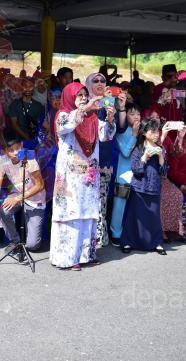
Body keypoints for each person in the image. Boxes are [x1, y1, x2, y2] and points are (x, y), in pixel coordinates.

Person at [49, 82, 115, 270]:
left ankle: (86, 254)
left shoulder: (92, 117)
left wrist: (110, 118)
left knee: (88, 213)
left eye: (86, 95)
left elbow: (107, 135)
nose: (84, 98)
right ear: (70, 97)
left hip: (88, 176)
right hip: (70, 177)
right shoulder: (63, 115)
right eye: (80, 96)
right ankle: (69, 258)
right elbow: (66, 125)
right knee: (71, 214)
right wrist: (85, 109)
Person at [85, 72, 127, 246]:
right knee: (87, 199)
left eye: (103, 80)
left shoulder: (109, 103)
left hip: (105, 157)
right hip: (86, 158)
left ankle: (99, 238)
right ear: (88, 84)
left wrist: (120, 107)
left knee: (101, 199)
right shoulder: (84, 103)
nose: (100, 83)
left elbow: (120, 128)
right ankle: (86, 237)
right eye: (95, 81)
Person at [0, 132, 46, 252]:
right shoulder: (2, 159)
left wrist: (17, 199)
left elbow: (40, 185)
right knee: (3, 210)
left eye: (18, 148)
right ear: (5, 151)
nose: (15, 153)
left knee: (33, 245)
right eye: (11, 150)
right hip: (18, 193)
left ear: (22, 145)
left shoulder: (29, 157)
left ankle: (28, 238)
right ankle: (15, 241)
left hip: (35, 197)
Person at [121, 118, 168, 255]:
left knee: (153, 217)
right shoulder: (138, 149)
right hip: (138, 187)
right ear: (144, 133)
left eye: (157, 131)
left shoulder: (161, 149)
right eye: (152, 132)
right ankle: (128, 242)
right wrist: (144, 157)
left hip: (154, 187)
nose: (156, 134)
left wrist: (161, 158)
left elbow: (164, 172)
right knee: (134, 216)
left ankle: (156, 243)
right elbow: (136, 169)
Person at [111, 103, 141, 246]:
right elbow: (125, 152)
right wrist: (134, 134)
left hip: (138, 172)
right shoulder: (120, 132)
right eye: (132, 114)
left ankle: (133, 232)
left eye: (138, 114)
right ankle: (115, 233)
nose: (136, 117)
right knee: (120, 204)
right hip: (123, 173)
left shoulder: (143, 130)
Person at [8, 78, 44, 149]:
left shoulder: (38, 105)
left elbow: (41, 124)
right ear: (21, 87)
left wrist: (36, 138)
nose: (28, 89)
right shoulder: (15, 104)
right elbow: (14, 125)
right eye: (25, 86)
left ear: (34, 88)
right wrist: (26, 137)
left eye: (30, 86)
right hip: (18, 140)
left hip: (35, 139)